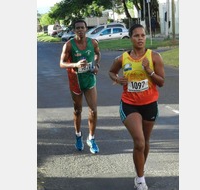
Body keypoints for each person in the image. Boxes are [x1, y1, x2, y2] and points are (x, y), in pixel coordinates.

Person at [108, 24, 165, 190]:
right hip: (129, 104)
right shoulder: (122, 58)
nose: (140, 38)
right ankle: (140, 180)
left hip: (150, 105)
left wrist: (149, 71)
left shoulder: (154, 57)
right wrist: (118, 79)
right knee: (139, 142)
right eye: (136, 35)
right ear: (130, 38)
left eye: (143, 35)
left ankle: (140, 171)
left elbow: (161, 82)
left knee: (145, 142)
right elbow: (111, 72)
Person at [60, 19, 101, 154]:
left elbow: (97, 53)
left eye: (82, 27)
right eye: (77, 28)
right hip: (75, 82)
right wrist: (75, 65)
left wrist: (96, 65)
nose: (80, 30)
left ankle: (91, 138)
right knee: (77, 110)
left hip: (89, 80)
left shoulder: (93, 42)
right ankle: (78, 135)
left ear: (86, 29)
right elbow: (62, 63)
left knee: (93, 111)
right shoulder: (69, 45)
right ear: (74, 30)